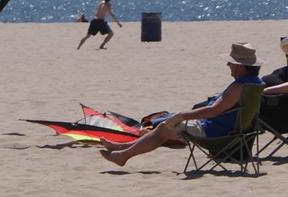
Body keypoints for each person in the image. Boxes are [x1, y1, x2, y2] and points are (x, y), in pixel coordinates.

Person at [100, 43, 262, 167]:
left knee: (165, 127)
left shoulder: (239, 87)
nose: (228, 65)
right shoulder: (256, 84)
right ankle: (123, 148)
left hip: (215, 133)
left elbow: (213, 111)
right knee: (164, 127)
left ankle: (123, 155)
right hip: (228, 130)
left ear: (240, 66)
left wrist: (182, 115)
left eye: (231, 63)